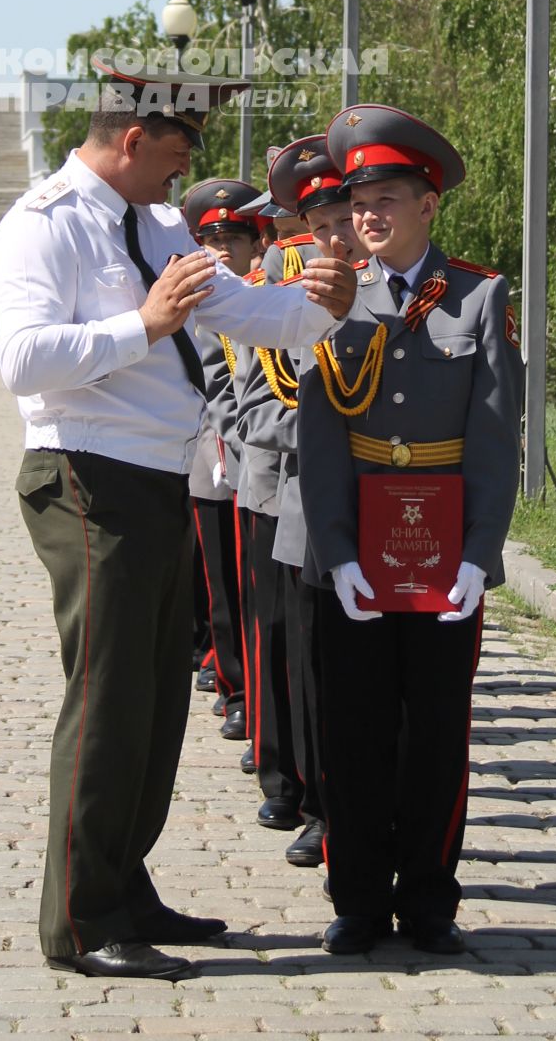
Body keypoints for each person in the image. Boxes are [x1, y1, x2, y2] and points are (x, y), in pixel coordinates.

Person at [0, 61, 358, 982]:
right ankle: (78, 919)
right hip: (85, 475)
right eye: (177, 151)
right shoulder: (42, 226)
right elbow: (25, 360)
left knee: (153, 705)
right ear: (129, 139)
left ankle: (125, 884)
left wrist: (323, 309)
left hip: (153, 480)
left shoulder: (156, 223)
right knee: (108, 702)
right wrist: (143, 326)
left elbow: (240, 308)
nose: (184, 171)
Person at [298, 104, 522, 958]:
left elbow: (496, 438)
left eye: (388, 196)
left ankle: (430, 899)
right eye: (359, 201)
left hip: (440, 556)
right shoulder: (328, 297)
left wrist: (478, 556)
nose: (368, 214)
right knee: (351, 733)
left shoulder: (476, 295)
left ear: (429, 204)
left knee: (435, 732)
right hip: (356, 554)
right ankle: (355, 898)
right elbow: (318, 440)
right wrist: (336, 550)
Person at [236, 139, 360, 872]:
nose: (339, 231)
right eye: (324, 221)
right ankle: (316, 803)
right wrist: (332, 433)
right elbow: (256, 400)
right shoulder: (281, 292)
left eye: (348, 212)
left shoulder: (402, 287)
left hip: (391, 508)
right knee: (309, 662)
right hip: (307, 502)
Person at [182, 180, 255, 747]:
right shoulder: (190, 297)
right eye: (212, 239)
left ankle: (252, 688)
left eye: (234, 238)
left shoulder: (258, 294)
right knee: (221, 579)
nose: (223, 251)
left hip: (254, 452)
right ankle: (233, 684)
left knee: (253, 583)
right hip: (209, 451)